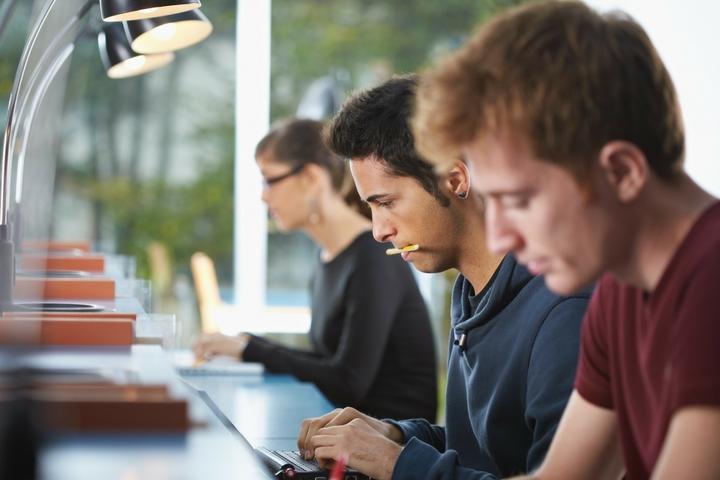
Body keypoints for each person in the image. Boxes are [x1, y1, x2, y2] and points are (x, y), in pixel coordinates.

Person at [413, 2, 720, 479]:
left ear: (620, 172)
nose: (499, 235)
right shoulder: (620, 291)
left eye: (517, 199)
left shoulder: (710, 283)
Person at [297, 76, 590, 480]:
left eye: (386, 203)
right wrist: (393, 434)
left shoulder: (565, 311)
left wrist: (394, 463)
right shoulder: (472, 290)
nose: (379, 230)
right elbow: (485, 449)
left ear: (455, 180)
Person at [193, 118, 437, 422]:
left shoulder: (374, 257)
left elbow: (348, 382)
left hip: (388, 449)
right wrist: (247, 342)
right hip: (345, 431)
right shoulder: (328, 256)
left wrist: (250, 349)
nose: (263, 195)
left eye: (269, 180)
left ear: (310, 177)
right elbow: (327, 362)